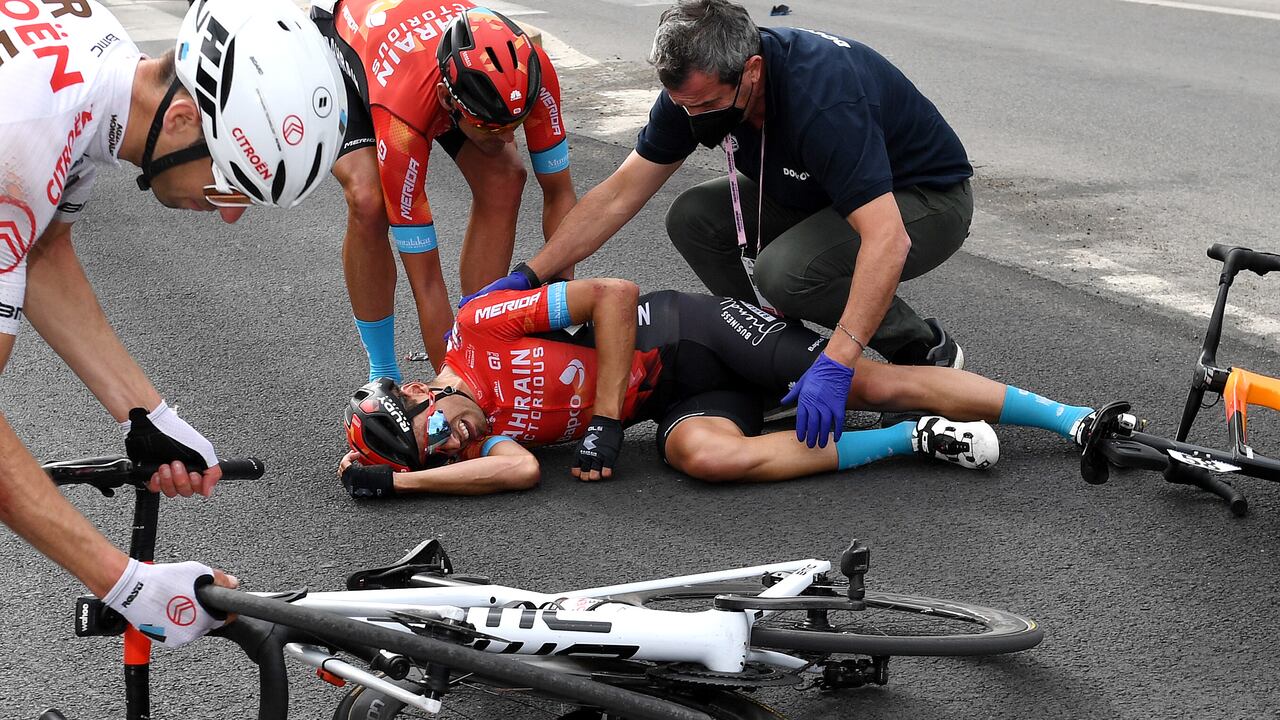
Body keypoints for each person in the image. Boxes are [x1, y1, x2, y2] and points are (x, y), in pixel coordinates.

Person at [464, 0, 977, 450]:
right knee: (693, 218)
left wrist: (840, 361)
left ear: (752, 70)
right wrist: (530, 275)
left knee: (787, 273)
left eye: (707, 106)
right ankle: (769, 359)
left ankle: (922, 349)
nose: (695, 118)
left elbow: (887, 237)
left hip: (924, 201)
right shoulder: (695, 90)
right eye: (685, 106)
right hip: (819, 192)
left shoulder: (822, 98)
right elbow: (620, 194)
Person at [1, 0, 345, 646]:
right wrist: (126, 582)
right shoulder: (20, 141)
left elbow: (42, 250)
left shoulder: (94, 51)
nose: (229, 215)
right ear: (184, 117)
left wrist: (148, 414)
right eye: (228, 186)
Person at [338, 279, 1102, 497]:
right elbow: (519, 469)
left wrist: (604, 420)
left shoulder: (477, 330)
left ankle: (1072, 419)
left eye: (441, 433)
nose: (459, 443)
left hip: (692, 329)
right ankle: (914, 441)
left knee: (872, 381)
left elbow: (611, 293)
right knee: (709, 460)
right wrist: (397, 485)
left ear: (418, 389)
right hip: (679, 400)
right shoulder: (492, 434)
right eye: (441, 456)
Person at [310, 0, 578, 380]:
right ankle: (382, 371)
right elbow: (426, 280)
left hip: (428, 58)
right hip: (354, 55)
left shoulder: (532, 66)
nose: (507, 137)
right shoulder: (402, 120)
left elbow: (560, 193)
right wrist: (455, 389)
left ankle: (484, 332)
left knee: (505, 175)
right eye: (492, 128)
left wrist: (564, 305)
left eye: (514, 124)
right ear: (446, 100)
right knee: (369, 202)